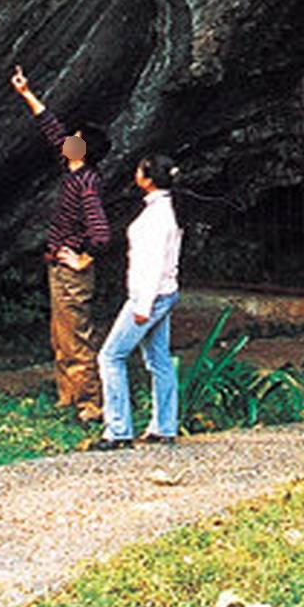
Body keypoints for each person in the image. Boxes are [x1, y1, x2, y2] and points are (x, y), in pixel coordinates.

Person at [9, 66, 110, 425]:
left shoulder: (86, 183)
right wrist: (26, 92)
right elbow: (52, 131)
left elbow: (101, 233)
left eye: (76, 137)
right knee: (61, 335)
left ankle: (91, 404)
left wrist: (82, 260)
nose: (69, 138)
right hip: (58, 266)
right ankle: (68, 397)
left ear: (84, 149)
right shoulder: (73, 169)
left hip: (70, 272)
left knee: (76, 338)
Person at [91, 154, 182, 450]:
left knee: (110, 356)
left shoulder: (157, 217)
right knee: (159, 360)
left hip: (150, 296)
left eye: (139, 170)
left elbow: (153, 263)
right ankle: (164, 427)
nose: (135, 174)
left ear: (148, 179)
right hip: (164, 292)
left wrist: (142, 306)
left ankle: (117, 431)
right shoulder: (164, 210)